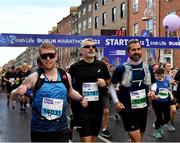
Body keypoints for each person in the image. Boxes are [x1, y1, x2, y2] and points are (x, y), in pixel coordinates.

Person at [11, 43, 88, 142]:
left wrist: (81, 98)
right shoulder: (34, 77)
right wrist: (17, 91)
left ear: (56, 56)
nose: (48, 59)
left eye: (51, 55)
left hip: (61, 128)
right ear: (40, 58)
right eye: (44, 56)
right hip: (40, 130)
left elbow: (71, 92)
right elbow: (13, 96)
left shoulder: (65, 75)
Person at [110, 39, 157, 142]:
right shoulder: (121, 69)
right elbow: (111, 86)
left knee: (138, 137)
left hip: (143, 108)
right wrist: (116, 102)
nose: (136, 52)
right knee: (137, 140)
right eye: (133, 49)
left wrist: (153, 91)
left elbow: (153, 82)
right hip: (127, 109)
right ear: (128, 52)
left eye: (139, 49)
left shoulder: (147, 67)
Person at [69, 38, 111, 142]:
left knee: (93, 138)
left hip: (97, 107)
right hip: (81, 108)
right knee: (86, 140)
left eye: (93, 46)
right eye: (87, 46)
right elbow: (69, 86)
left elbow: (109, 79)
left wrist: (105, 82)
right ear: (81, 50)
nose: (91, 48)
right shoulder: (75, 67)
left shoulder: (101, 65)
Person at [152, 68, 171, 139]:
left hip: (165, 102)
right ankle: (156, 130)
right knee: (159, 118)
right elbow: (152, 92)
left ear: (163, 74)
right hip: (157, 103)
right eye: (158, 74)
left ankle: (158, 125)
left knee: (167, 118)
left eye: (160, 74)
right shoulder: (154, 82)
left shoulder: (166, 81)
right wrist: (155, 95)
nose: (159, 76)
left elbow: (168, 89)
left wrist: (171, 95)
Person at [99, 57, 112, 138]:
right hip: (95, 94)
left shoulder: (109, 72)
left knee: (106, 111)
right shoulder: (97, 70)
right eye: (104, 64)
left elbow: (110, 82)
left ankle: (104, 129)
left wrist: (106, 82)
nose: (105, 66)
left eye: (107, 64)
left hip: (105, 93)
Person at [163, 62, 176, 131]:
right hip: (163, 94)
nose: (169, 67)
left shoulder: (170, 74)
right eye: (167, 66)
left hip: (170, 93)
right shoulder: (162, 75)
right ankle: (159, 123)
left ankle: (168, 122)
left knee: (173, 110)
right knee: (163, 111)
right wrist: (171, 82)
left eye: (170, 66)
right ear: (164, 67)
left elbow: (173, 83)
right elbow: (160, 83)